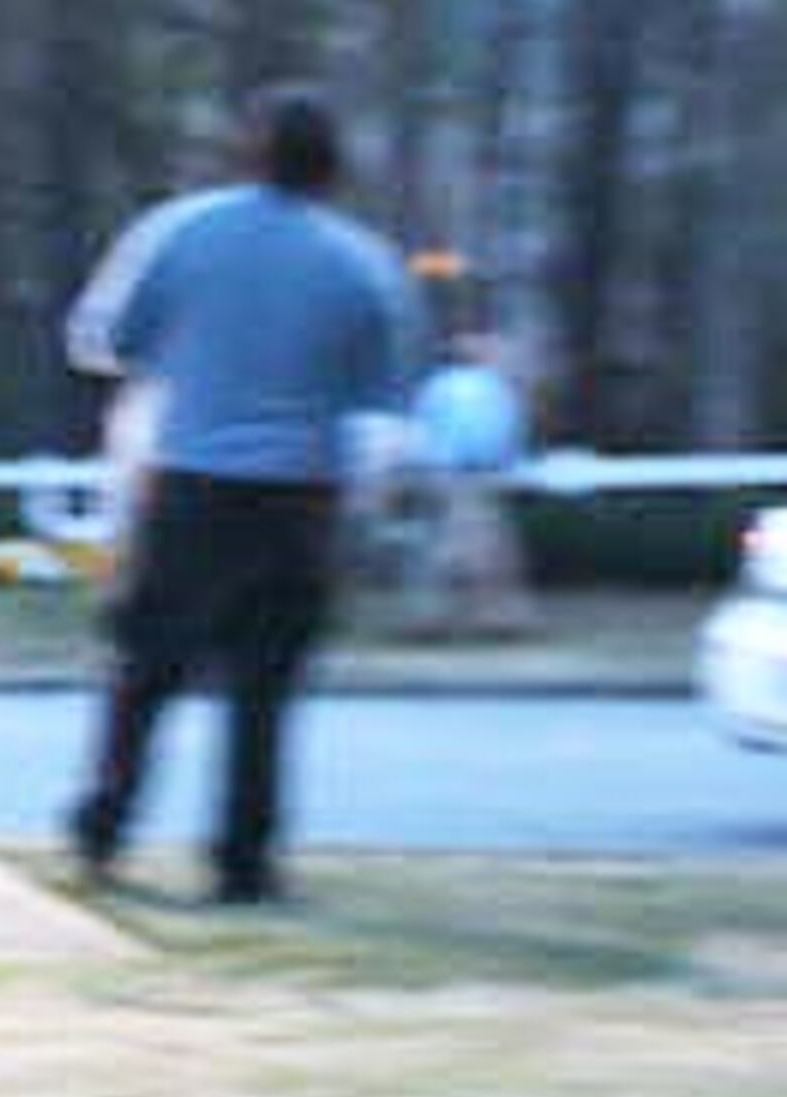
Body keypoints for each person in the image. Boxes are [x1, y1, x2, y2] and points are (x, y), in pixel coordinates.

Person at [59, 86, 423, 904]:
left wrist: (188, 362)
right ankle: (244, 861)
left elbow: (102, 341)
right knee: (265, 689)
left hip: (190, 484)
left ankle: (102, 829)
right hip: (302, 496)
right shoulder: (361, 263)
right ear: (333, 166)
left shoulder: (181, 232)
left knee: (145, 671)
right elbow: (380, 404)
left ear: (247, 151)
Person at [404, 327, 536, 638]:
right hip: (475, 474)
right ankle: (487, 617)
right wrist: (508, 465)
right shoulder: (492, 387)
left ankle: (440, 617)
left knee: (455, 544)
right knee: (480, 546)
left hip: (452, 473)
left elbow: (424, 428)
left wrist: (426, 468)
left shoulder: (440, 385)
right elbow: (505, 431)